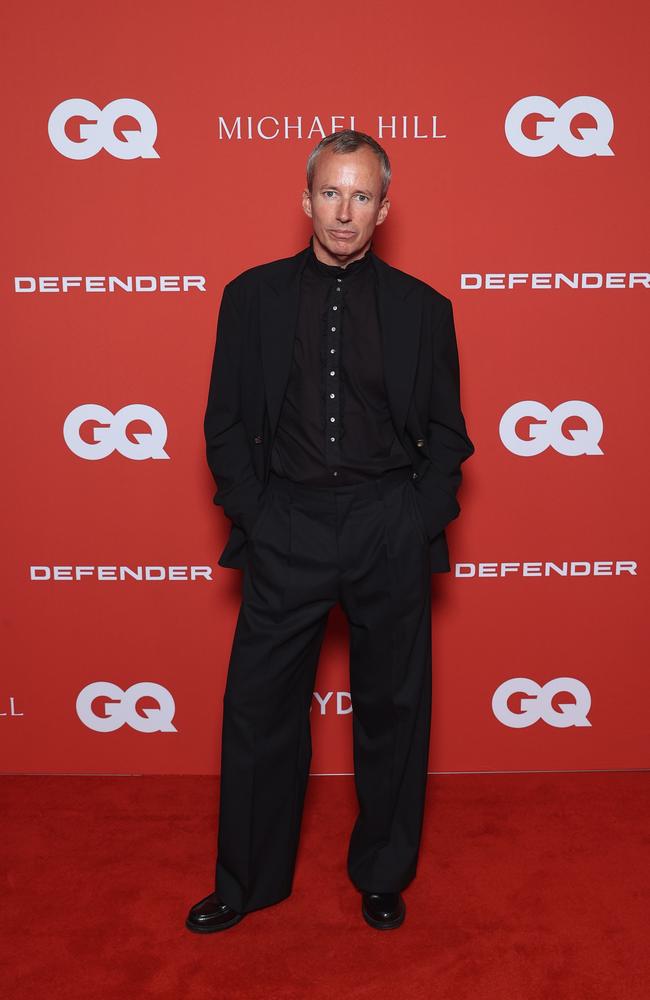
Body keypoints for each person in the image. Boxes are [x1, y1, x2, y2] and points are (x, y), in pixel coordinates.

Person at [186, 129, 474, 933]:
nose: (343, 211)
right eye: (330, 193)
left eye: (361, 196)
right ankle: (246, 882)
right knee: (258, 710)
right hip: (289, 525)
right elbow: (224, 422)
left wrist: (416, 516)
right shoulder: (250, 298)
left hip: (388, 524)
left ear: (385, 208)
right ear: (304, 200)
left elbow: (449, 435)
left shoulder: (426, 309)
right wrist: (259, 514)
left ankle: (383, 872)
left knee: (393, 708)